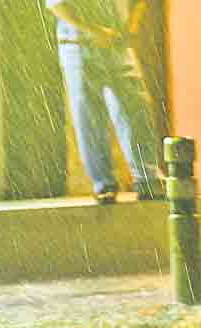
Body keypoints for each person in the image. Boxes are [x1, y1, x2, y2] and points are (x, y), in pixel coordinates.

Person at [46, 0, 162, 205]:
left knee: (137, 110)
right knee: (90, 118)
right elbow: (57, 6)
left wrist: (130, 26)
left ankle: (147, 180)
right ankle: (104, 184)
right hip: (80, 44)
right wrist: (92, 30)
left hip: (118, 43)